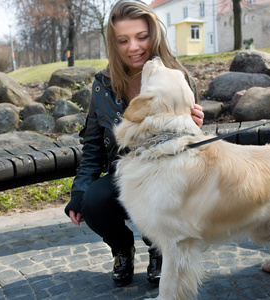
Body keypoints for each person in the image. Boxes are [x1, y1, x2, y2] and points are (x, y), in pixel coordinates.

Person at [64, 0, 204, 288]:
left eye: (142, 36)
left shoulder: (178, 77)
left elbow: (195, 149)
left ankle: (160, 250)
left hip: (169, 174)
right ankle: (122, 248)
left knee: (164, 196)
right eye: (123, 40)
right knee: (93, 201)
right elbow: (92, 146)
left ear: (154, 34)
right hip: (125, 172)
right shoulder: (103, 84)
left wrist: (196, 127)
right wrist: (78, 192)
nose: (133, 47)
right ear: (113, 43)